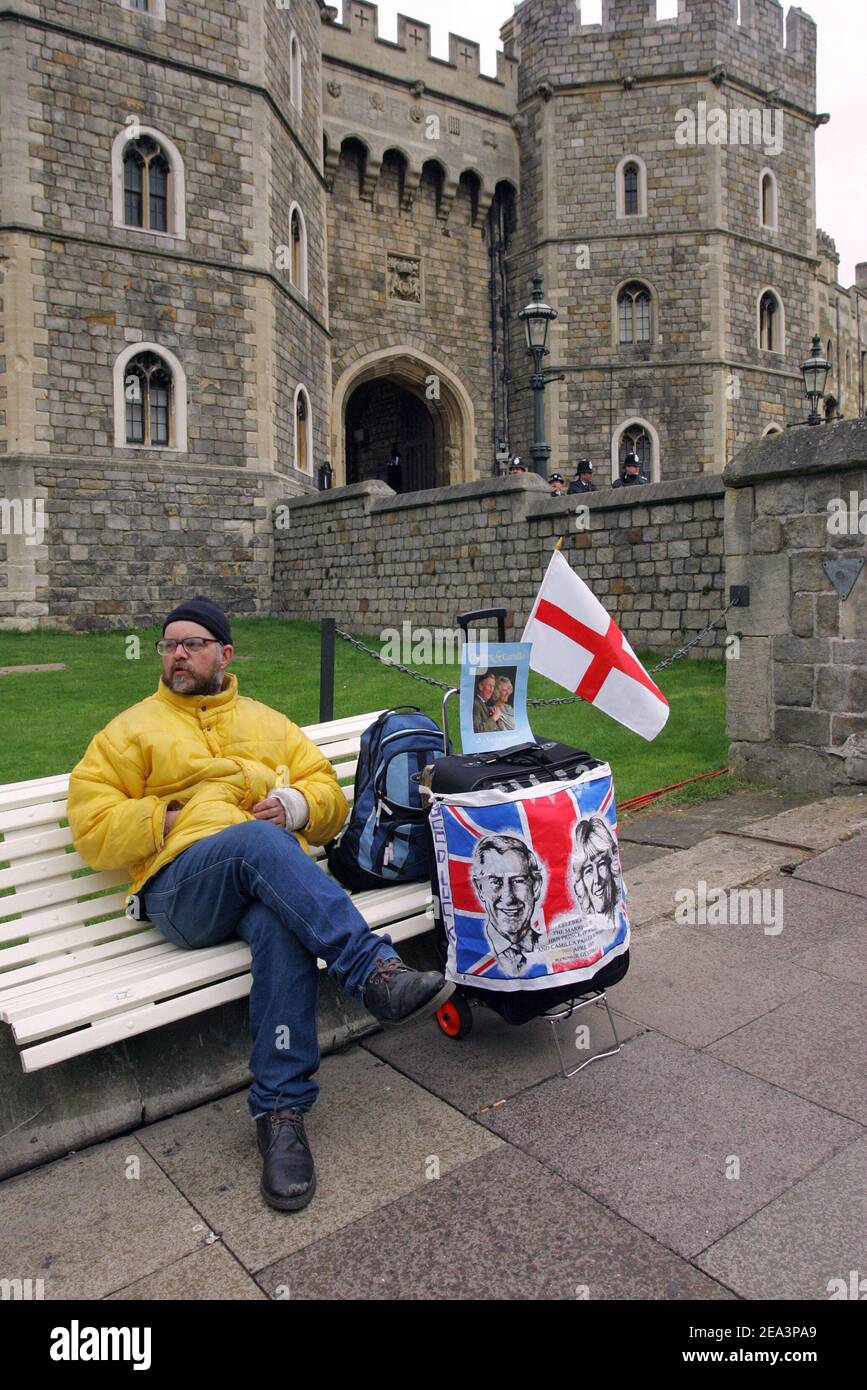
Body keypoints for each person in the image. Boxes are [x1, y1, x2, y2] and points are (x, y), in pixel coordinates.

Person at [66, 596, 453, 1215]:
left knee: (278, 922)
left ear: (224, 653)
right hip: (179, 891)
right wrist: (163, 815)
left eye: (192, 643)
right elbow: (89, 821)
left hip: (263, 883)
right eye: (169, 644)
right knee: (253, 841)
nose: (178, 654)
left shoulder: (267, 723)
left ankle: (280, 1113)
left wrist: (297, 807)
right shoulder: (131, 729)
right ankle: (370, 971)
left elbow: (326, 790)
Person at [470, 834, 545, 976]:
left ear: (535, 886)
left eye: (518, 881)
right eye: (495, 882)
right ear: (480, 888)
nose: (509, 898)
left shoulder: (556, 945)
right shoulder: (470, 952)